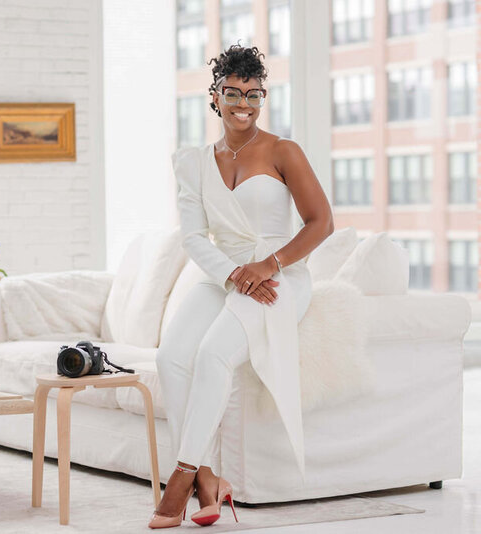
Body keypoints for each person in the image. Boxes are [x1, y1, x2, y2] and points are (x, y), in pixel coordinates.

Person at [149, 44, 334, 529]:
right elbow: (193, 236)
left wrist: (268, 266)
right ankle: (211, 478)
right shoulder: (192, 163)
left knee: (213, 354)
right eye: (232, 92)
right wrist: (234, 274)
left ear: (263, 97)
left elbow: (321, 223)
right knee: (171, 356)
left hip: (279, 277)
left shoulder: (283, 150)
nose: (243, 104)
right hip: (224, 275)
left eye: (254, 95)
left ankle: (182, 477)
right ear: (214, 96)